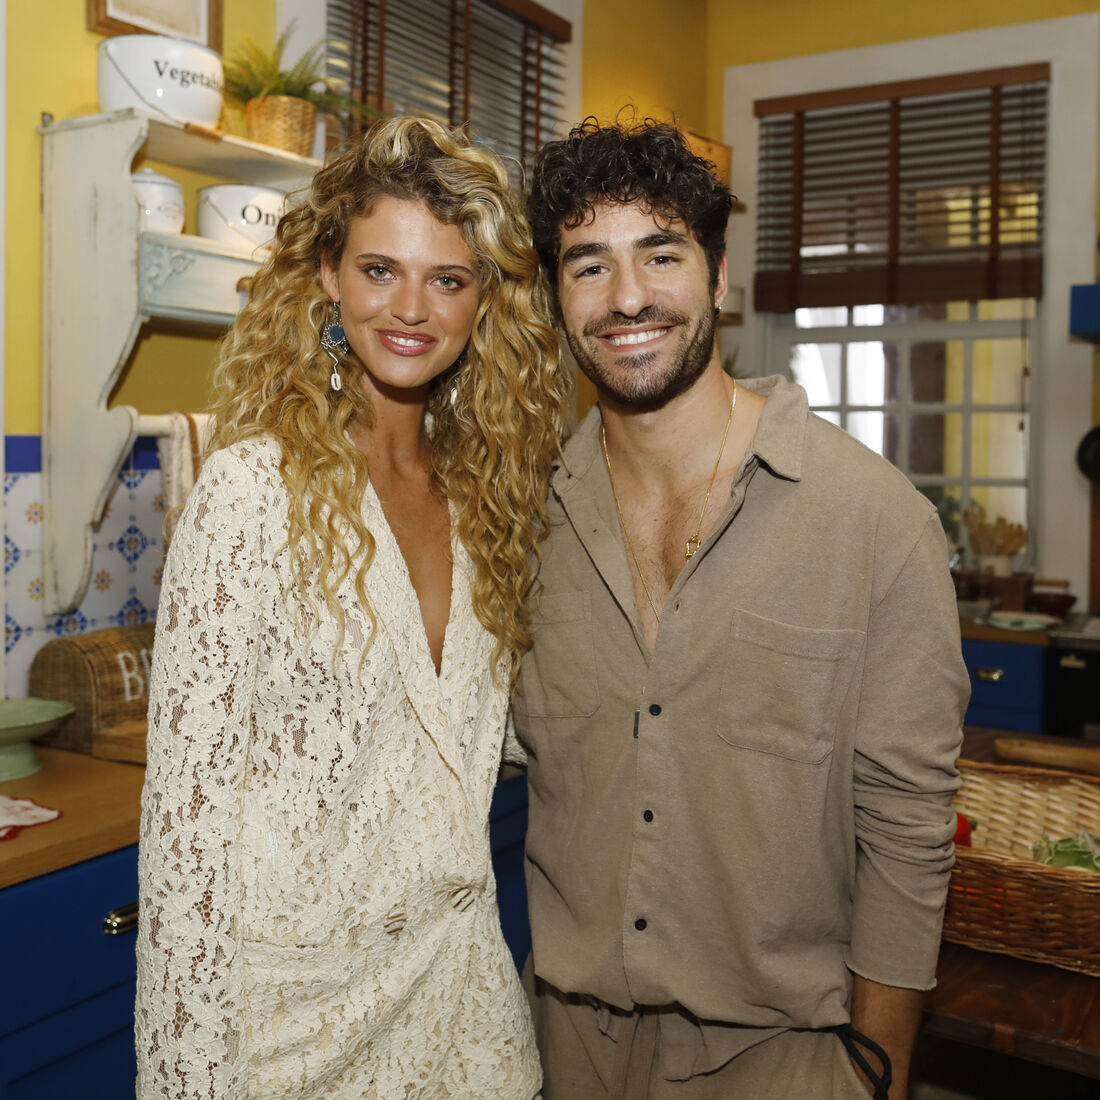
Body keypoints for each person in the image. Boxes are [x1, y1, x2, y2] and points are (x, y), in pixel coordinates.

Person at [511, 116, 971, 1100]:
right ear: (555, 296)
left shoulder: (873, 520)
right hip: (561, 1048)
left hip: (787, 1058)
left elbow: (906, 824)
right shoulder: (520, 520)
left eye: (660, 255)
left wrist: (879, 1073)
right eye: (588, 265)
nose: (625, 296)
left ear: (717, 277)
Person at [134, 116, 569, 1099]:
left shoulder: (491, 499)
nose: (411, 308)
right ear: (329, 274)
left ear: (482, 300)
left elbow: (470, 735)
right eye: (380, 270)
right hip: (288, 1033)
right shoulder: (251, 492)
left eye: (447, 279)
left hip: (465, 1008)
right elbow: (185, 844)